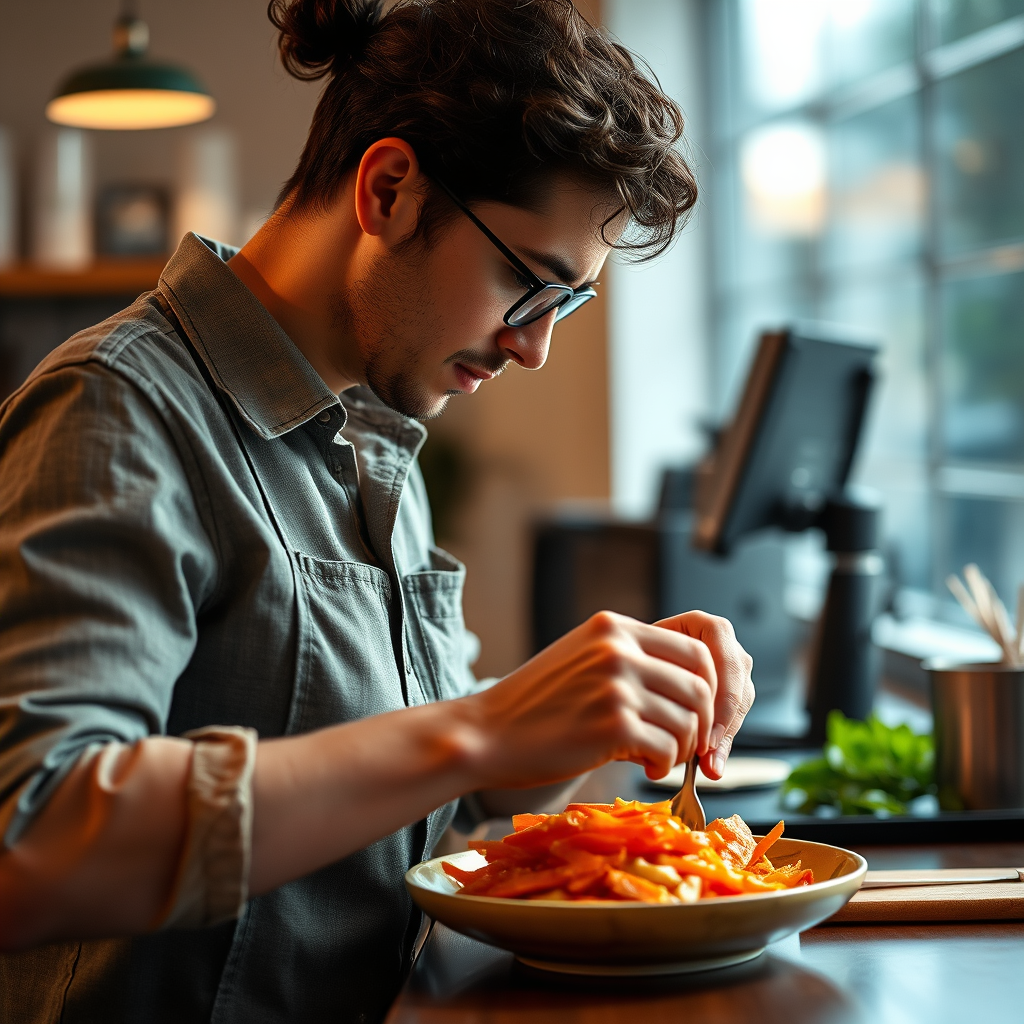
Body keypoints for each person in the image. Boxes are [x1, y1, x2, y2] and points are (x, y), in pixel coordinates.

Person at [0, 1, 754, 1020]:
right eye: (529, 282)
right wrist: (480, 728)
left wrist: (592, 708)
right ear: (390, 190)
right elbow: (32, 843)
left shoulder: (373, 432)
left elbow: (440, 796)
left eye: (566, 305)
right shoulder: (115, 408)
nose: (533, 346)